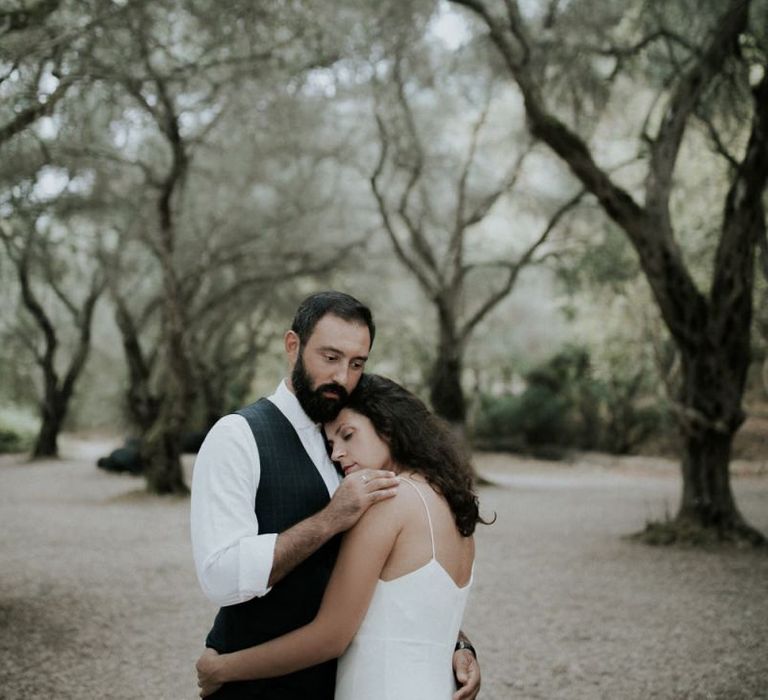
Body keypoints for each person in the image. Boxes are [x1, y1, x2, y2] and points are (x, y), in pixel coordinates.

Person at [190, 291, 481, 699]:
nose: (343, 378)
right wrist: (328, 520)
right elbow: (220, 577)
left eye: (356, 363)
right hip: (260, 689)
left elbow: (395, 583)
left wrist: (454, 643)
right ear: (293, 346)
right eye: (330, 357)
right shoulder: (237, 437)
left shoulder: (363, 451)